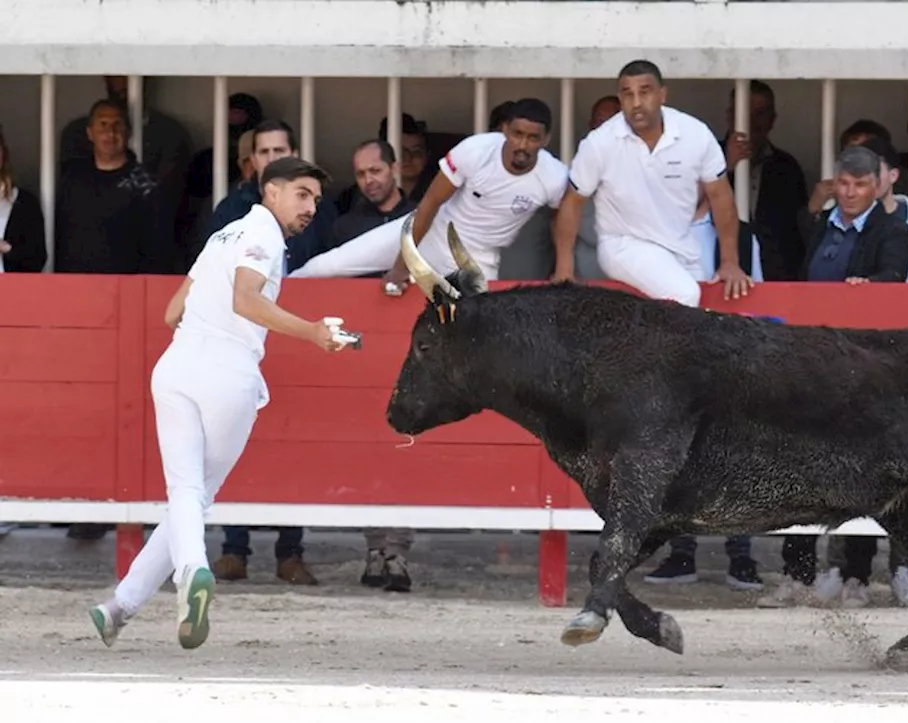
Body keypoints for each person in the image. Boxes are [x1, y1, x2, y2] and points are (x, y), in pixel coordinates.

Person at [88, 156, 354, 651]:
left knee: (184, 497)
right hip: (226, 373)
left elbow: (172, 312)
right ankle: (192, 573)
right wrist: (313, 333)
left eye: (315, 199)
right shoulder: (264, 235)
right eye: (301, 194)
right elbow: (247, 301)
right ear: (269, 191)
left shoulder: (221, 236)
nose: (311, 207)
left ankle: (118, 608)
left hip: (176, 366)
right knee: (193, 494)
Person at [291, 98, 568, 288]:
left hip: (479, 259)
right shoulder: (475, 151)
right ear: (505, 130)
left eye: (532, 138)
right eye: (517, 133)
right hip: (430, 232)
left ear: (546, 139)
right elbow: (430, 203)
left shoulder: (554, 177)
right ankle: (273, 293)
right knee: (325, 268)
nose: (522, 144)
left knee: (477, 336)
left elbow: (563, 217)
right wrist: (402, 264)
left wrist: (563, 267)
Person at [550, 59, 752, 304]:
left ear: (662, 95)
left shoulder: (695, 134)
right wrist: (564, 270)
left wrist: (730, 263)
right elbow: (573, 200)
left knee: (702, 312)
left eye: (644, 92)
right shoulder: (600, 142)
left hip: (681, 247)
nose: (636, 103)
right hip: (623, 245)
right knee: (685, 295)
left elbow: (721, 196)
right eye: (627, 94)